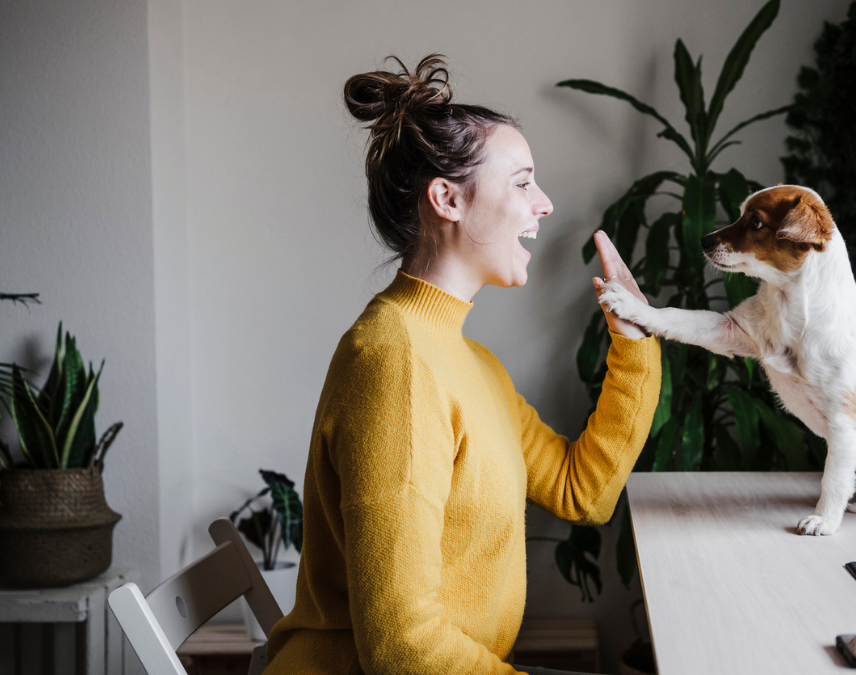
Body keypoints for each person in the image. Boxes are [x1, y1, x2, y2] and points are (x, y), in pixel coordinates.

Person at [263, 54, 661, 675]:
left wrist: (635, 345)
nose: (546, 203)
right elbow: (402, 649)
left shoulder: (469, 361)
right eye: (524, 182)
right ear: (446, 199)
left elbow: (583, 492)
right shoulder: (393, 362)